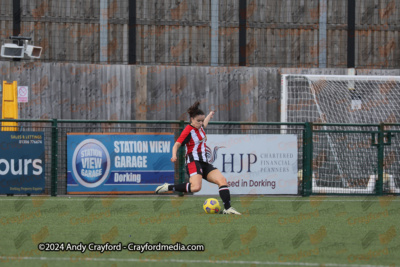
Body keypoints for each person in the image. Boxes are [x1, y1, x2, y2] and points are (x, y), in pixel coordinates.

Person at [155, 101, 241, 215]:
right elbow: (176, 144)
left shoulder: (200, 127)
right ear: (191, 119)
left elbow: (204, 124)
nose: (200, 123)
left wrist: (209, 115)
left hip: (204, 162)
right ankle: (169, 187)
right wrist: (174, 155)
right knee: (196, 188)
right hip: (193, 161)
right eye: (198, 121)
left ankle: (227, 209)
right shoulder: (187, 131)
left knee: (222, 180)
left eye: (202, 120)